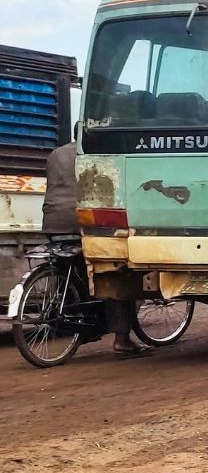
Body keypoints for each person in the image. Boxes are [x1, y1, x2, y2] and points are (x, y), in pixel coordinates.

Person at [42, 142, 152, 358]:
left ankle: (82, 325)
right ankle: (122, 340)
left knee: (72, 272)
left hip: (52, 221)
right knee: (114, 271)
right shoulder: (98, 151)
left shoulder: (56, 154)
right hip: (82, 220)